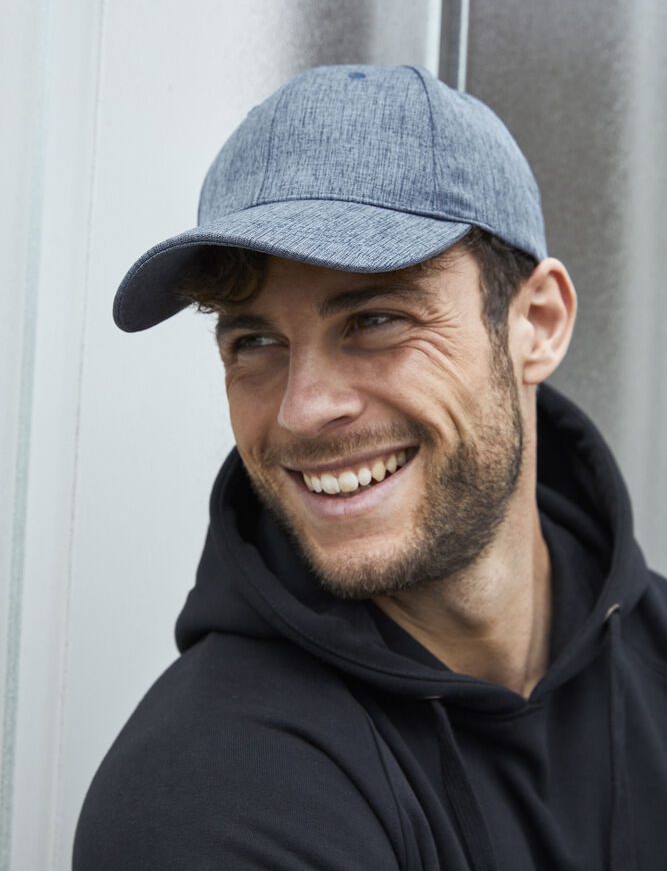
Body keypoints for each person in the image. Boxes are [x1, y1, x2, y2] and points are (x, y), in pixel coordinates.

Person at [73, 65, 667, 871]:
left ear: (536, 322)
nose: (302, 409)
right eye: (255, 342)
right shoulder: (209, 790)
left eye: (376, 319)